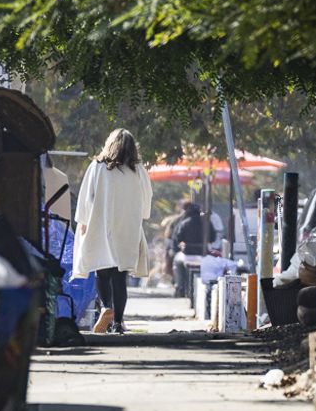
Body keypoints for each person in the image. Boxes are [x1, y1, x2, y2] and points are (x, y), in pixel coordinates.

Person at [72, 128, 153, 334]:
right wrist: (139, 215)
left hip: (101, 225)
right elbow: (146, 202)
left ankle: (106, 307)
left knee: (102, 272)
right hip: (127, 229)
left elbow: (86, 197)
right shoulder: (137, 169)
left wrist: (83, 221)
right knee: (120, 277)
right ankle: (117, 322)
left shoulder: (97, 166)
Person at [170, 203, 215, 297]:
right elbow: (213, 238)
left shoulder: (184, 223)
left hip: (188, 254)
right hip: (203, 254)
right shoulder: (207, 223)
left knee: (176, 261)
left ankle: (179, 285)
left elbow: (178, 238)